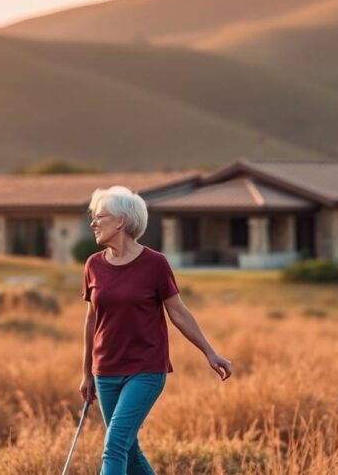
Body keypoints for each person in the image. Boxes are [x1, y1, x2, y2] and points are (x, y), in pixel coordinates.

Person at [79, 185, 232, 475]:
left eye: (99, 216)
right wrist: (86, 373)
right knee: (129, 449)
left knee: (113, 447)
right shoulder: (93, 266)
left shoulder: (155, 264)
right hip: (105, 371)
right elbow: (91, 320)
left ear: (121, 221)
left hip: (146, 370)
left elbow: (178, 312)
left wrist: (210, 353)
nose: (93, 223)